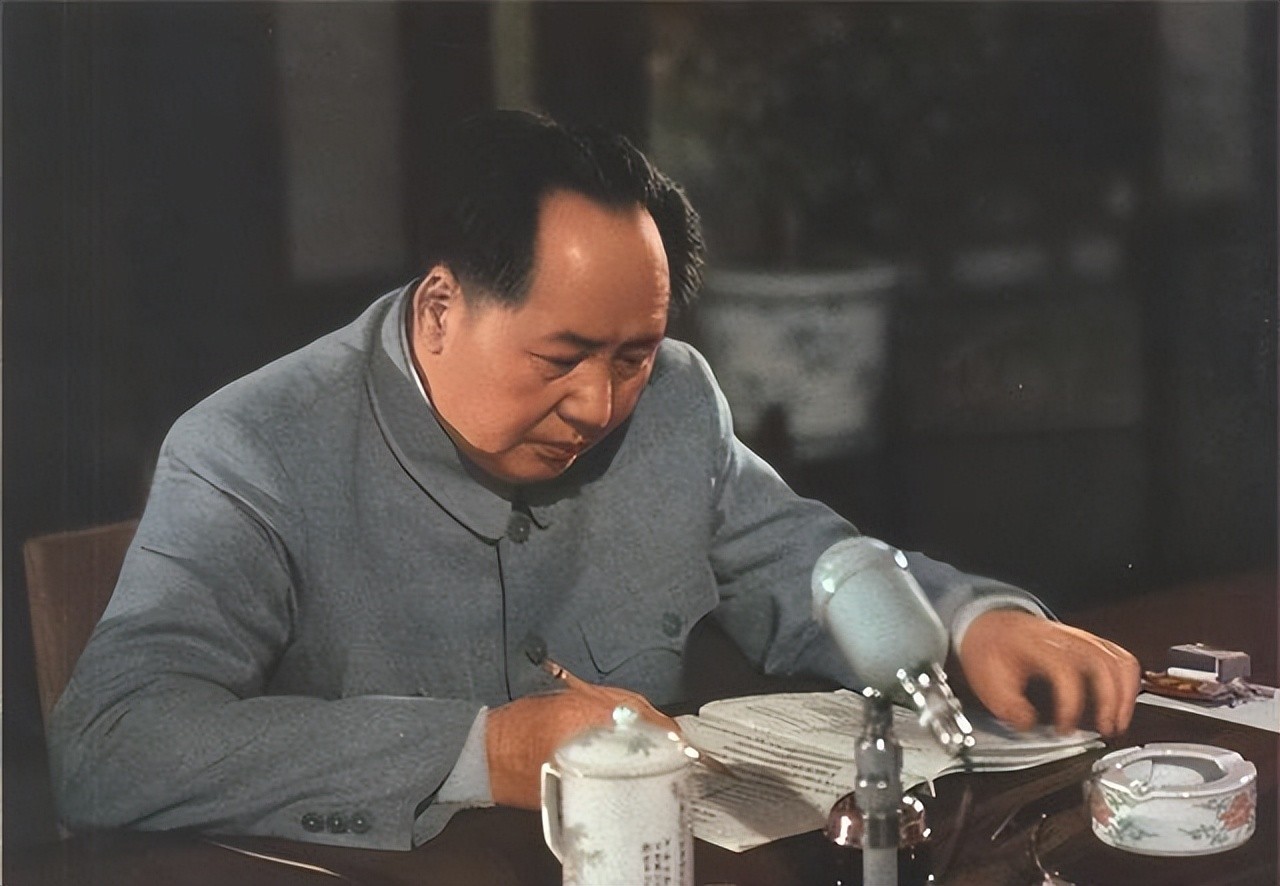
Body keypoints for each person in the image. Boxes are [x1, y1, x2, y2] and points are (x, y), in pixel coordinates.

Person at [49, 110, 1140, 850]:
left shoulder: (675, 400)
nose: (598, 404)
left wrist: (969, 627)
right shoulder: (249, 449)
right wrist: (486, 749)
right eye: (562, 356)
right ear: (441, 307)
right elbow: (109, 744)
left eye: (632, 356)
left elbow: (802, 560)